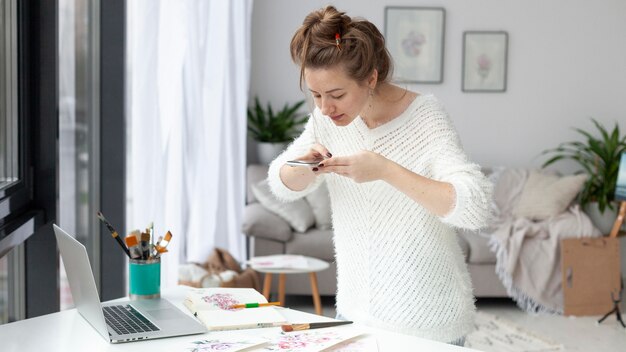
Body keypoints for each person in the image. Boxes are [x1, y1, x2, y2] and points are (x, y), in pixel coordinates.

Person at [266, 5, 492, 346]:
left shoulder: (425, 116)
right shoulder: (326, 122)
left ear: (371, 77)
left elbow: (476, 206)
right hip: (355, 313)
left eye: (337, 94)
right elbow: (279, 184)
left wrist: (385, 170)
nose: (325, 108)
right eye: (316, 95)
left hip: (429, 321)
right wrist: (302, 167)